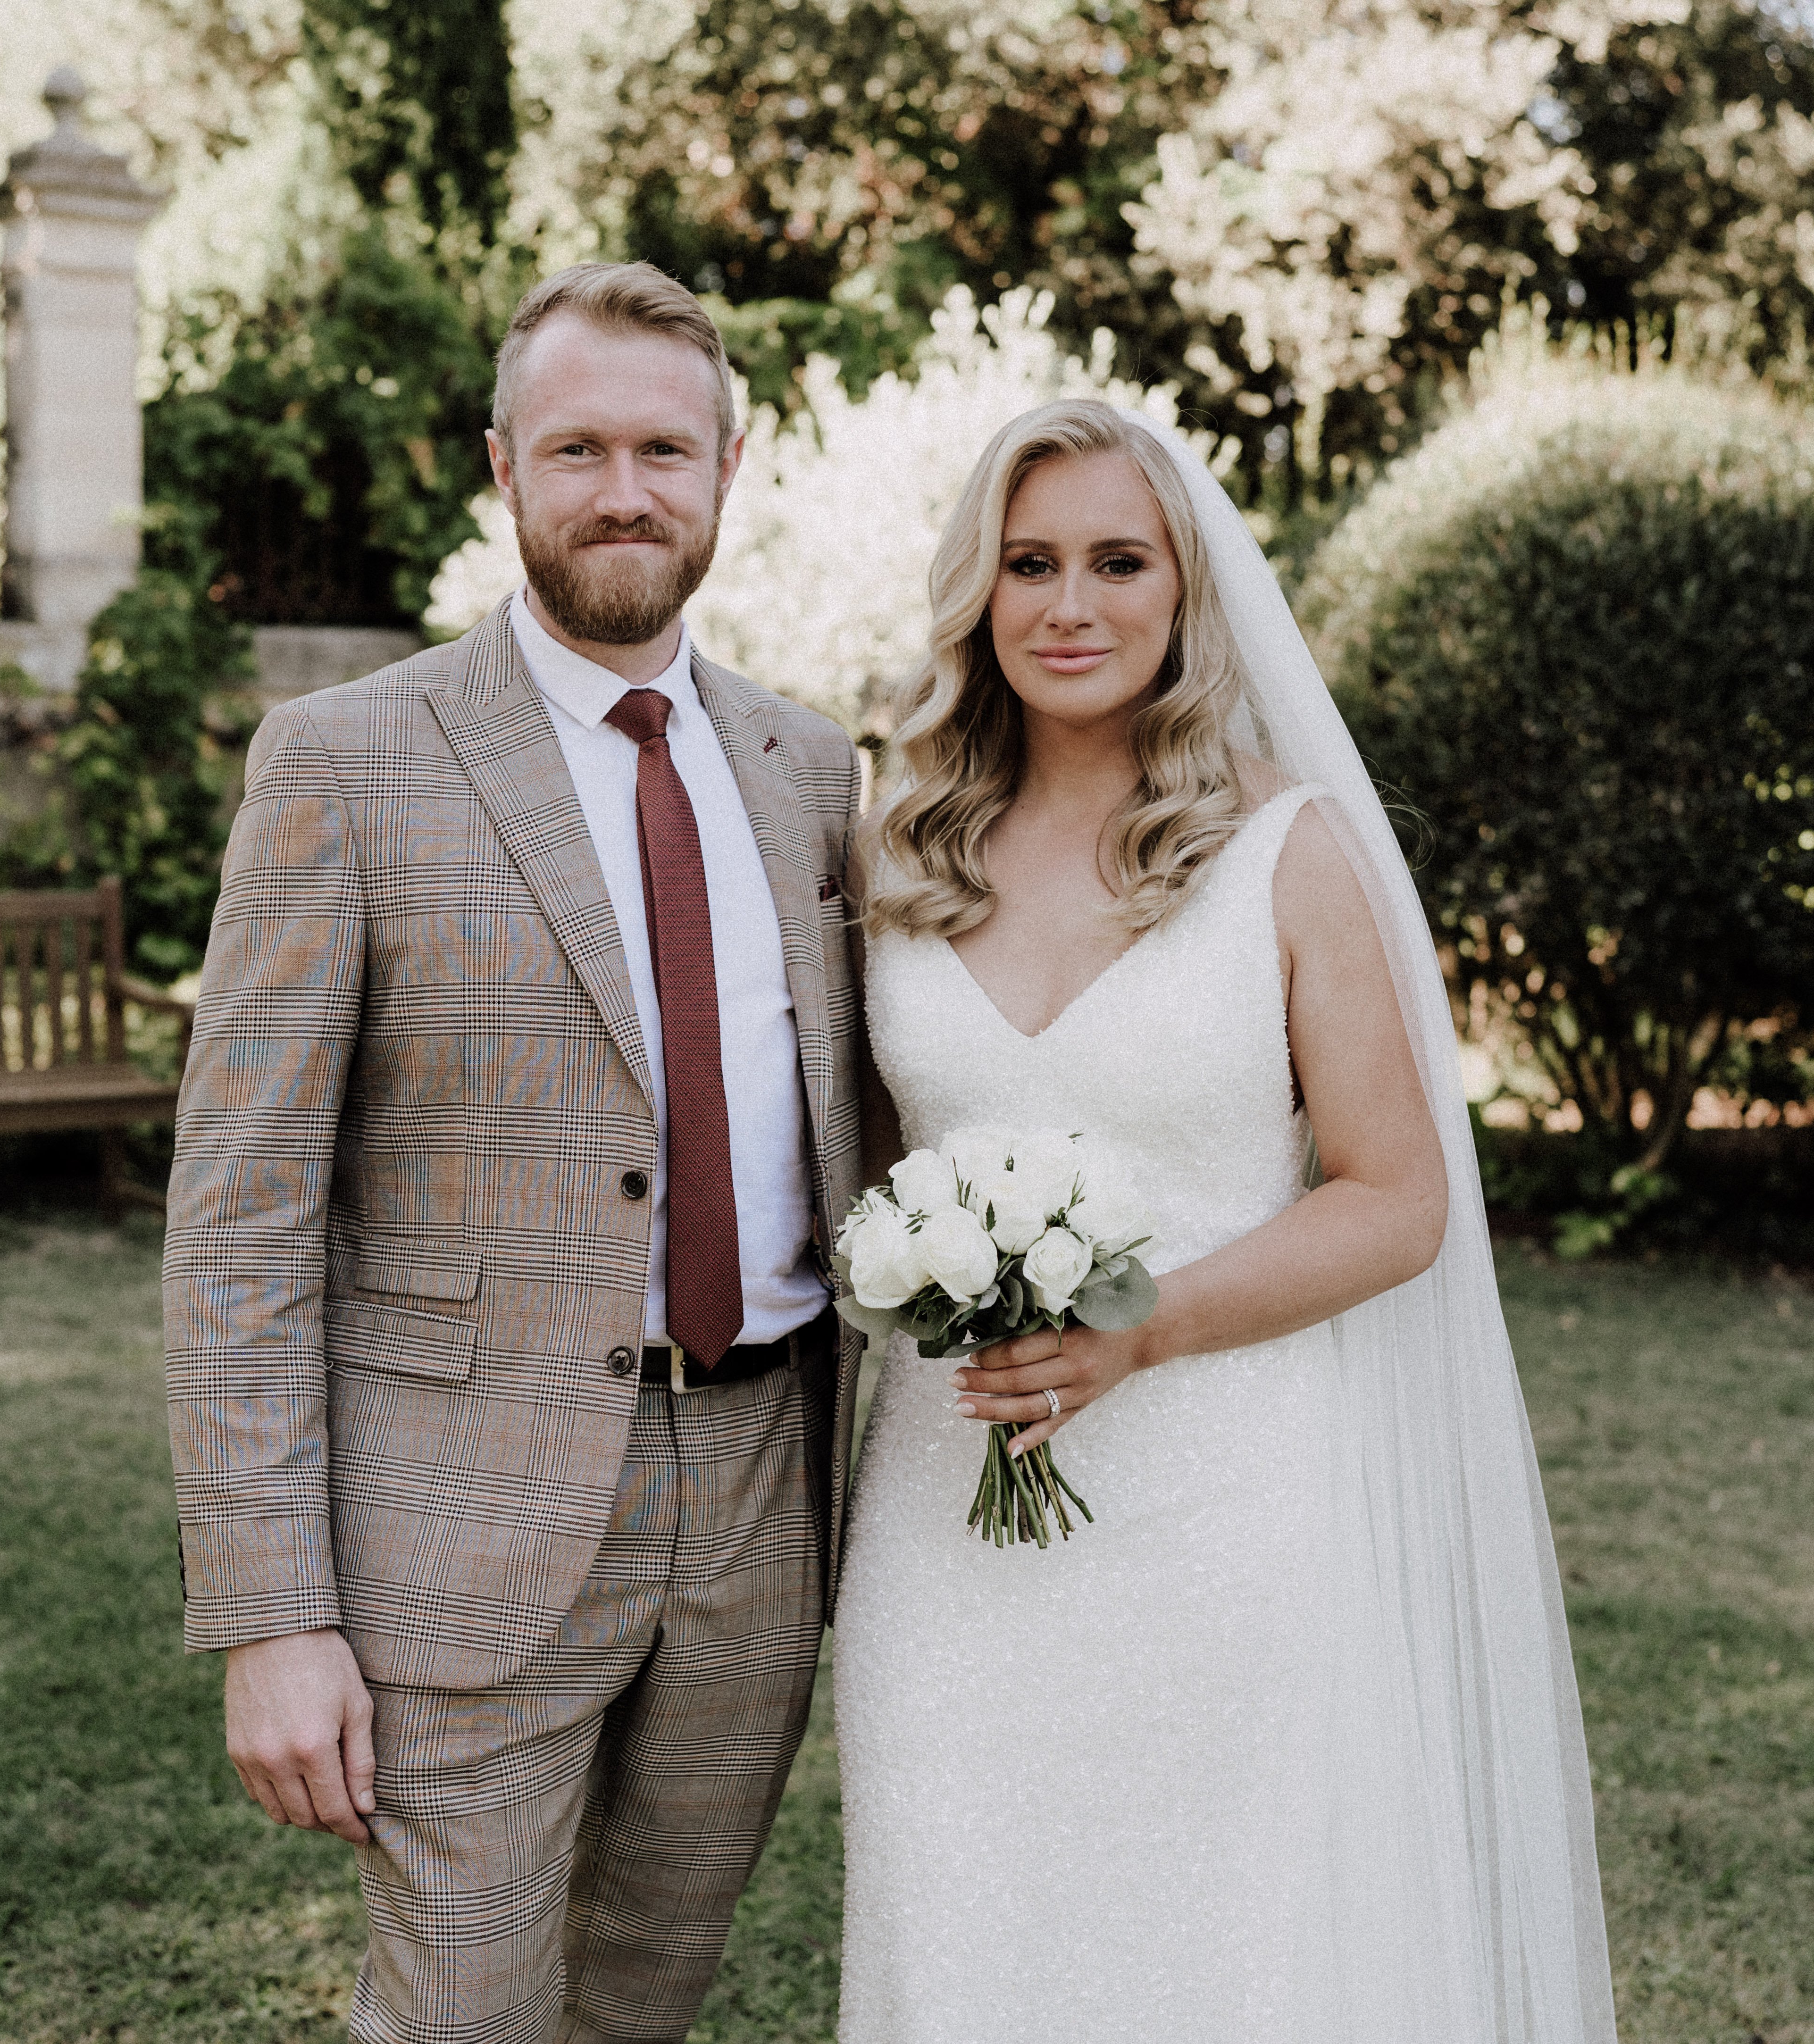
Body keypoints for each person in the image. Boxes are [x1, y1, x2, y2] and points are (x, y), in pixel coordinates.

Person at [831, 399, 1620, 2039]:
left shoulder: (1285, 850)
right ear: (975, 589)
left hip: (1226, 1517)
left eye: (1119, 562)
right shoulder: (897, 847)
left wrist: (1141, 1325)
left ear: (1184, 591)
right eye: (1029, 562)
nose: (1071, 605)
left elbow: (1398, 1201)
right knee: (968, 1931)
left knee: (1223, 1960)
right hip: (943, 1520)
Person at [162, 261, 870, 2044]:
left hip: (766, 1503)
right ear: (501, 468)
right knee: (462, 2021)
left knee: (642, 1998)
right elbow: (238, 1216)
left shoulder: (813, 772)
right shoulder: (345, 763)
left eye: (661, 448)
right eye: (576, 450)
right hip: (458, 1521)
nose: (622, 491)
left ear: (728, 463)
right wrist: (269, 1612)